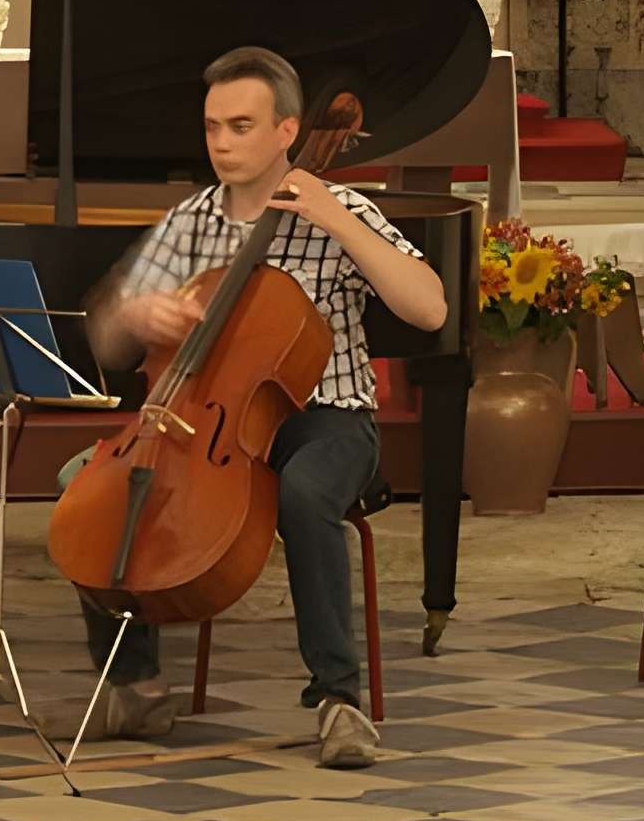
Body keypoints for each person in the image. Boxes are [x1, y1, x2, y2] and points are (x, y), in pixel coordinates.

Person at [74, 46, 449, 771]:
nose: (220, 142)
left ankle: (338, 698)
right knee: (87, 491)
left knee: (306, 495)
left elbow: (428, 308)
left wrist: (336, 218)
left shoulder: (346, 210)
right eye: (212, 126)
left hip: (327, 415)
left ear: (286, 131)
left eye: (240, 126)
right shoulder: (190, 221)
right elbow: (107, 336)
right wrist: (135, 314)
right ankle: (133, 683)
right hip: (207, 418)